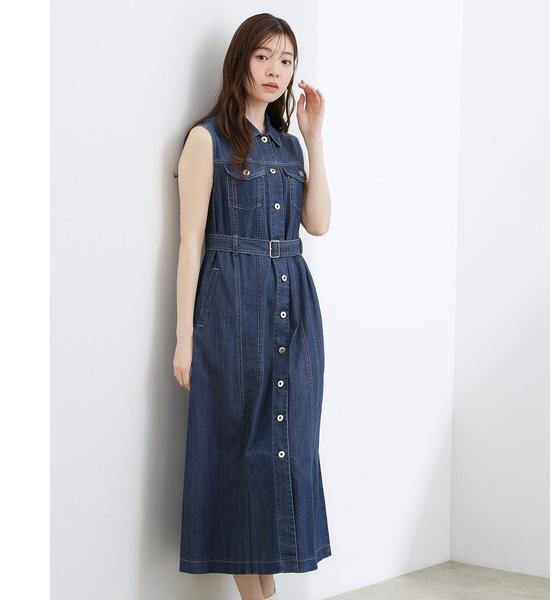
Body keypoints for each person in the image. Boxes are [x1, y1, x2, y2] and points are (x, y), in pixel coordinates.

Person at [173, 13, 332, 600]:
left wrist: (314, 137)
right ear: (239, 61)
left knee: (283, 454)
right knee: (240, 454)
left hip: (293, 308)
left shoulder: (290, 146)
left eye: (286, 60)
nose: (275, 70)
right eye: (263, 56)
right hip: (231, 307)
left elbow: (319, 223)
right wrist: (184, 338)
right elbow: (190, 242)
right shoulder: (206, 140)